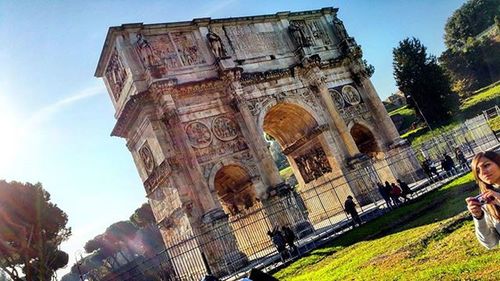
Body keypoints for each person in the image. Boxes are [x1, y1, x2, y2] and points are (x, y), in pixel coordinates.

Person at [465, 151, 500, 249]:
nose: (483, 172)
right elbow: (490, 243)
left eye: (486, 165)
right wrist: (479, 218)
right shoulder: (488, 202)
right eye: (478, 171)